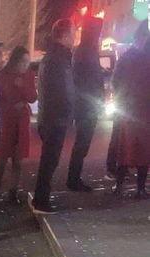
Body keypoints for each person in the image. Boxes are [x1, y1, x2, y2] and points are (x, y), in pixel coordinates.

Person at [31, 19, 76, 215]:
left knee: (49, 160)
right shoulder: (58, 59)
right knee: (49, 160)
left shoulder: (53, 57)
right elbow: (63, 90)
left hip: (51, 116)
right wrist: (69, 110)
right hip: (55, 117)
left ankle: (41, 198)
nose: (74, 38)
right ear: (64, 36)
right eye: (73, 33)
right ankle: (41, 201)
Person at [0, 46, 37, 204]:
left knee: (18, 159)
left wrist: (22, 86)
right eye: (23, 61)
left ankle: (13, 192)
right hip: (7, 120)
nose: (25, 65)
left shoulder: (28, 75)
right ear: (15, 61)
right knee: (2, 158)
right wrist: (10, 105)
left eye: (27, 61)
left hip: (21, 120)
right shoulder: (4, 75)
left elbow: (32, 97)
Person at [106, 19, 150, 180]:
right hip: (134, 106)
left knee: (123, 141)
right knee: (128, 142)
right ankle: (120, 172)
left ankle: (119, 174)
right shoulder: (139, 57)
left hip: (127, 105)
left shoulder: (128, 57)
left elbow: (116, 81)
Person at [68, 17, 104, 192]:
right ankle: (73, 179)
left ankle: (74, 177)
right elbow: (88, 80)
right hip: (86, 105)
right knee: (82, 143)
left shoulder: (85, 50)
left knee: (83, 143)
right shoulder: (86, 52)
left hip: (86, 104)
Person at [113, 34, 150, 199]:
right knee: (143, 151)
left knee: (124, 150)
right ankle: (140, 189)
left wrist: (121, 100)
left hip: (127, 110)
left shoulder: (125, 57)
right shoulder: (147, 59)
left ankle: (118, 185)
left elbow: (115, 81)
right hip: (144, 111)